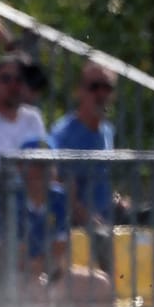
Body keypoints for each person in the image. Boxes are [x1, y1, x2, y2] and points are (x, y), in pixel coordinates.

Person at [50, 60, 117, 228]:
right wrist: (87, 218)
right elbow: (56, 184)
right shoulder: (62, 134)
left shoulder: (107, 130)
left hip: (107, 217)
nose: (101, 94)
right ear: (79, 91)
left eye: (107, 87)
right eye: (94, 87)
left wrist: (117, 199)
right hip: (77, 225)